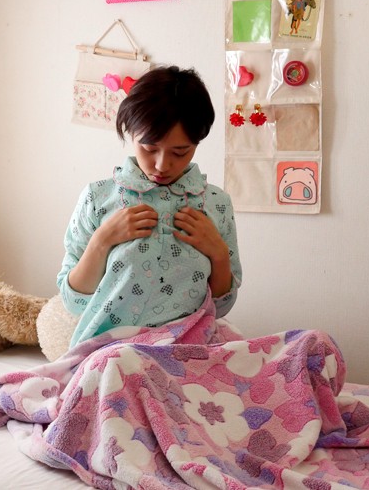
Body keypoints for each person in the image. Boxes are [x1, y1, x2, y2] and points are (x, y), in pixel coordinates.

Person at [57, 65, 242, 348]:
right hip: (114, 351)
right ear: (130, 132)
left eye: (180, 152)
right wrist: (102, 241)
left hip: (188, 349)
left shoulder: (217, 204)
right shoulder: (98, 198)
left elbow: (222, 307)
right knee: (122, 366)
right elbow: (73, 301)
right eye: (149, 148)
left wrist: (218, 253)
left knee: (304, 347)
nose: (162, 165)